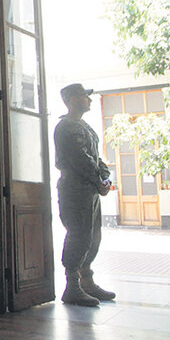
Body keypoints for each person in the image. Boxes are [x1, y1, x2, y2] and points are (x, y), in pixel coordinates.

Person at [54, 83, 116, 307]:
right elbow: (80, 158)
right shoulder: (67, 127)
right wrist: (98, 180)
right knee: (79, 235)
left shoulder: (84, 126)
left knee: (93, 236)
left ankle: (87, 282)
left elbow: (96, 157)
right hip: (75, 189)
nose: (89, 100)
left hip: (89, 189)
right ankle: (72, 287)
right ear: (72, 100)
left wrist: (105, 177)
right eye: (84, 97)